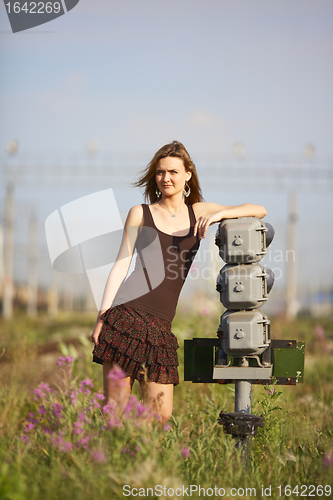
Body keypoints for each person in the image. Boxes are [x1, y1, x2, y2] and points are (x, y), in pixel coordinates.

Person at [91, 141, 267, 423]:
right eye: (160, 172)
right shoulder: (140, 213)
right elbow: (121, 264)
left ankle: (143, 466)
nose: (166, 178)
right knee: (114, 411)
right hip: (125, 317)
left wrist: (219, 214)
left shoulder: (198, 212)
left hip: (161, 326)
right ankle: (107, 464)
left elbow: (259, 210)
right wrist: (102, 316)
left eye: (173, 171)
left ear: (187, 174)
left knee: (160, 417)